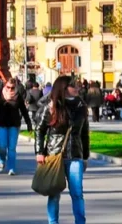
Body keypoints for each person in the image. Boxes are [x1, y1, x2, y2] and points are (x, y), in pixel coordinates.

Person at [35, 75, 90, 224]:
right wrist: (39, 152)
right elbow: (39, 130)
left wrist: (85, 157)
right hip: (54, 156)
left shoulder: (81, 106)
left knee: (77, 193)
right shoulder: (52, 107)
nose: (78, 88)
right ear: (65, 89)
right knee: (54, 194)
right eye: (74, 86)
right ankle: (53, 222)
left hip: (75, 156)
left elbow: (84, 133)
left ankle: (80, 222)